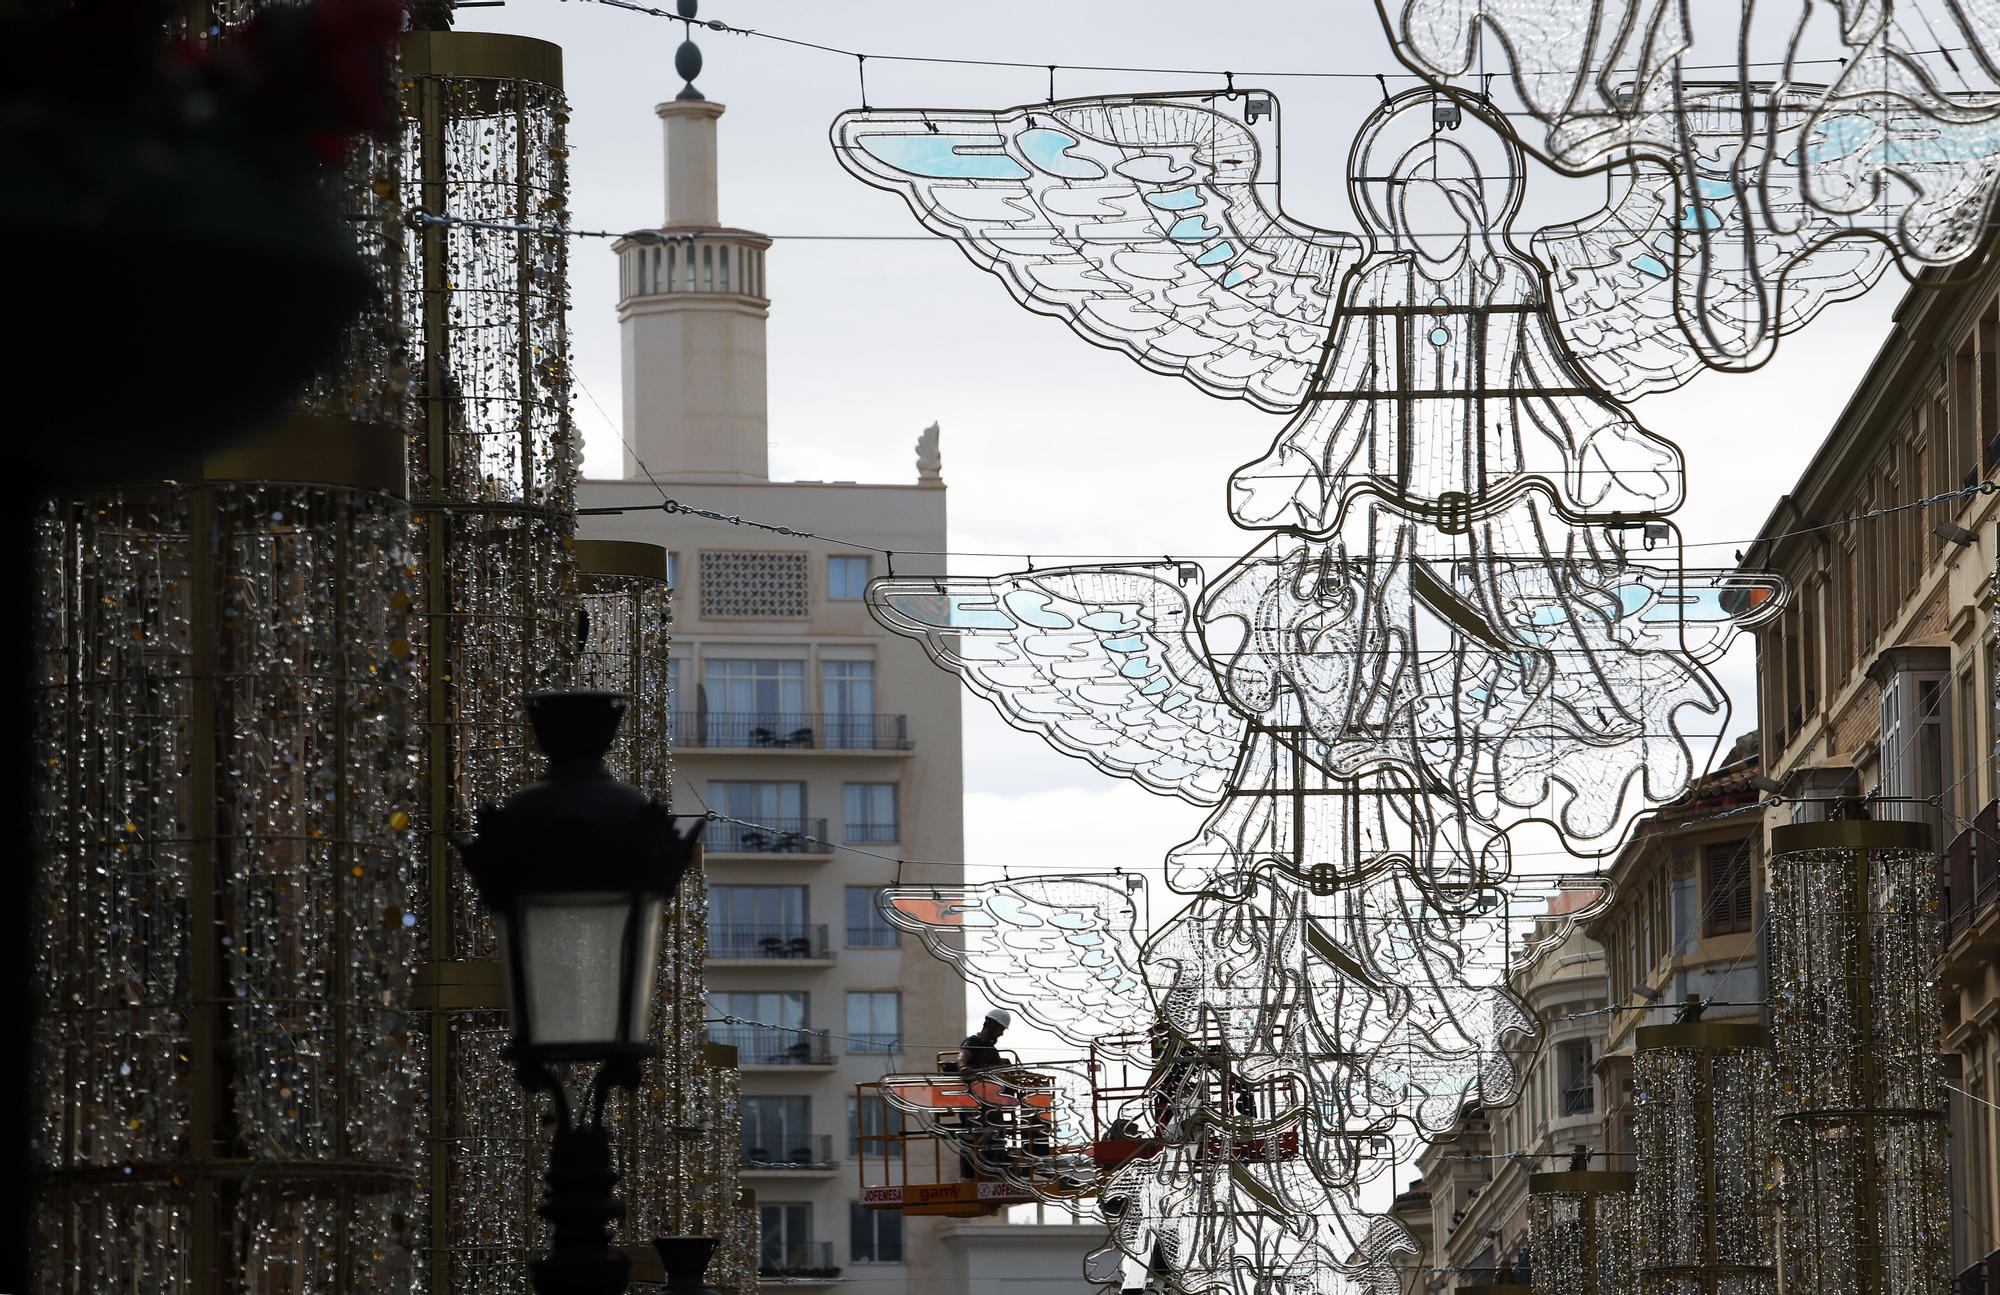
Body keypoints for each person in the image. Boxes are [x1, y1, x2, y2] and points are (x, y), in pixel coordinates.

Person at [960, 1007, 1009, 1073]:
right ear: (992, 1025)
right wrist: (962, 1067)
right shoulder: (972, 1042)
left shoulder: (991, 1048)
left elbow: (1001, 1067)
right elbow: (963, 1056)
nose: (1001, 1033)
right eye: (1001, 1029)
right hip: (976, 1082)